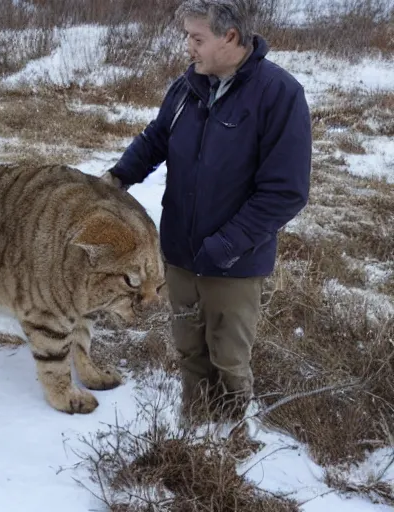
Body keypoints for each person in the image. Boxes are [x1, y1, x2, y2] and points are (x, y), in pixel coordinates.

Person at [101, 0, 312, 424]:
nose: (188, 48)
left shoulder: (278, 94)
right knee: (188, 347)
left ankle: (229, 430)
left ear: (229, 37)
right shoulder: (188, 87)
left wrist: (227, 245)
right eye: (187, 38)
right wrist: (116, 179)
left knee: (228, 356)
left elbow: (286, 191)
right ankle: (194, 423)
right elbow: (157, 138)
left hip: (234, 262)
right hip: (179, 252)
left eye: (197, 39)